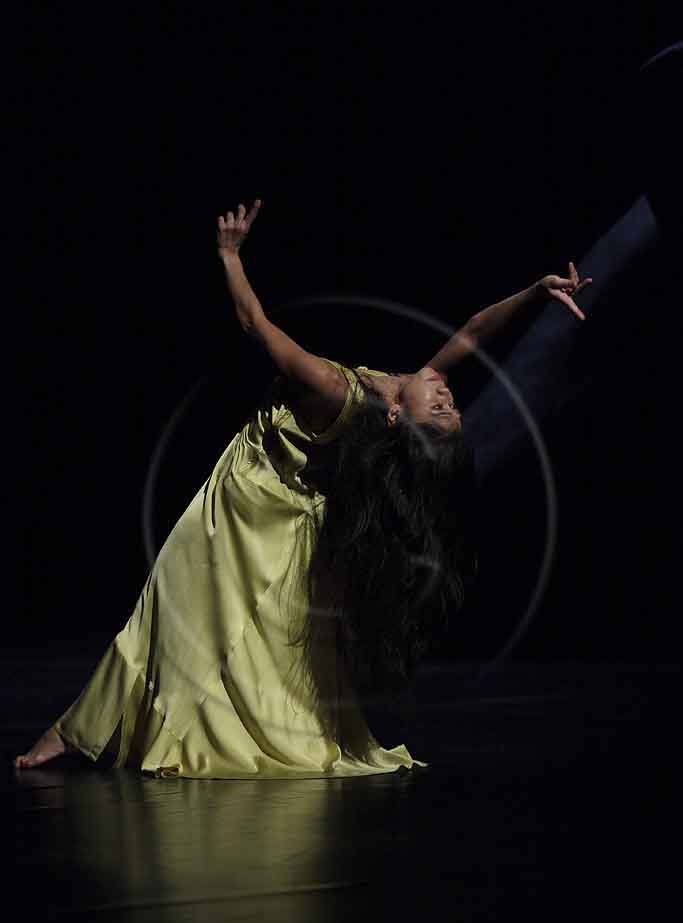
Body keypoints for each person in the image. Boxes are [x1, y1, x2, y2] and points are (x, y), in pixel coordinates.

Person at [13, 199, 591, 777]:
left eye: (439, 409)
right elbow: (472, 330)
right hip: (287, 500)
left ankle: (89, 732)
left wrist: (229, 256)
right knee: (179, 611)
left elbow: (253, 326)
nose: (445, 394)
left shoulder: (334, 389)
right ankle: (79, 730)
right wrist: (536, 293)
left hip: (252, 497)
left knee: (200, 616)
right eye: (450, 403)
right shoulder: (402, 393)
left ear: (397, 419)